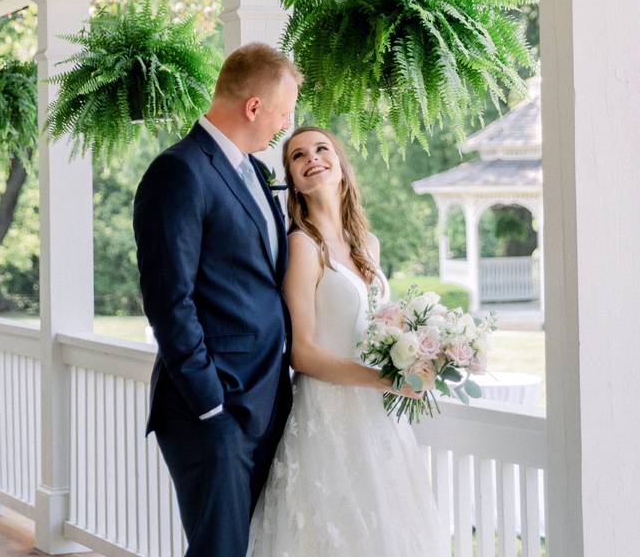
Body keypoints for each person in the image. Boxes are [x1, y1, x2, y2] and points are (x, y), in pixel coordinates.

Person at [247, 126, 447, 556]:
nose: (311, 158)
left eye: (322, 149)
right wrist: (385, 380)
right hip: (329, 413)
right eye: (298, 156)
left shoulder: (367, 244)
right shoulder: (303, 246)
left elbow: (377, 327)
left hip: (379, 419)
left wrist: (418, 355)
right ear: (294, 181)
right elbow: (302, 352)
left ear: (341, 167)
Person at [133, 42, 300, 557]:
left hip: (266, 399)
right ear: (254, 107)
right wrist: (210, 404)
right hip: (214, 411)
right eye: (283, 112)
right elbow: (169, 300)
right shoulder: (179, 171)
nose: (285, 125)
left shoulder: (252, 171)